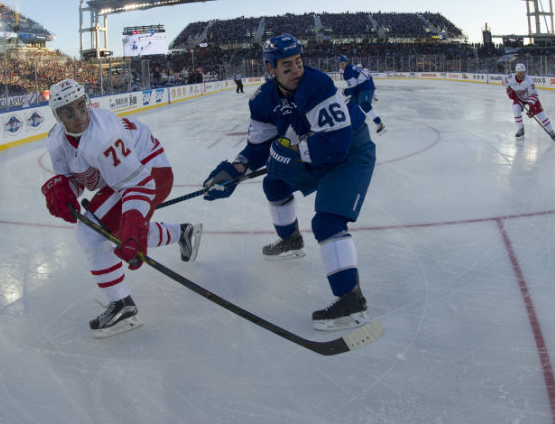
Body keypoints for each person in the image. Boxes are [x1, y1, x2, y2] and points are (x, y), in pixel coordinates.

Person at [202, 34, 376, 330]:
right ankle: (291, 240)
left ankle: (351, 302)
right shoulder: (262, 101)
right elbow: (258, 147)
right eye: (287, 66)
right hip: (314, 151)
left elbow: (337, 145)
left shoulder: (317, 85)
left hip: (350, 152)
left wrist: (291, 151)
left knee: (328, 223)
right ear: (270, 69)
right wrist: (234, 170)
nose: (296, 69)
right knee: (274, 183)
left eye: (298, 62)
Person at [41, 78, 203, 337]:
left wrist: (132, 220)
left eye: (81, 106)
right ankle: (184, 233)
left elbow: (140, 184)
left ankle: (124, 307)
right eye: (68, 112)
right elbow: (75, 180)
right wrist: (64, 191)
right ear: (57, 116)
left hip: (150, 171)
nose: (78, 116)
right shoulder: (56, 140)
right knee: (116, 232)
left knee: (93, 234)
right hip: (125, 177)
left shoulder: (103, 137)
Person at [503, 63, 555, 142]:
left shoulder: (529, 81)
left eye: (523, 73)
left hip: (531, 99)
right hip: (519, 99)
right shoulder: (511, 77)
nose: (521, 75)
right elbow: (504, 81)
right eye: (520, 73)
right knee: (515, 108)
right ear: (516, 72)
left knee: (541, 115)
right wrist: (508, 90)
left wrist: (531, 107)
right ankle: (520, 129)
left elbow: (533, 94)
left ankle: (550, 130)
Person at [337, 55, 386, 135]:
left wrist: (344, 92)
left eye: (342, 63)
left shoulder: (348, 72)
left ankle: (379, 124)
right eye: (340, 64)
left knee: (365, 105)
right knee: (350, 106)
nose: (341, 65)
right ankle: (350, 127)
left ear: (346, 63)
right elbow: (354, 88)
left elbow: (352, 90)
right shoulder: (349, 68)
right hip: (360, 87)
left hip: (366, 86)